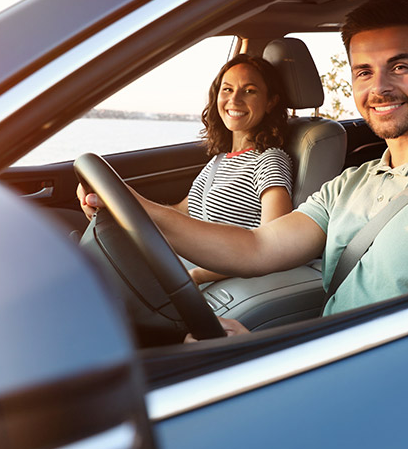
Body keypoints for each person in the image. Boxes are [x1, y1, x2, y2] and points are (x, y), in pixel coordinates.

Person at [122, 0, 408, 338]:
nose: (379, 87)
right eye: (364, 72)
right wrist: (139, 210)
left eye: (400, 67)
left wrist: (271, 362)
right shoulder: (353, 182)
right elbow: (258, 247)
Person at [78, 54, 294, 285]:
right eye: (227, 89)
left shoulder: (269, 160)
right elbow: (181, 213)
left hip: (210, 279)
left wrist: (197, 275)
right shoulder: (219, 161)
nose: (235, 99)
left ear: (270, 102)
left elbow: (275, 243)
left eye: (249, 91)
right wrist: (115, 205)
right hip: (181, 266)